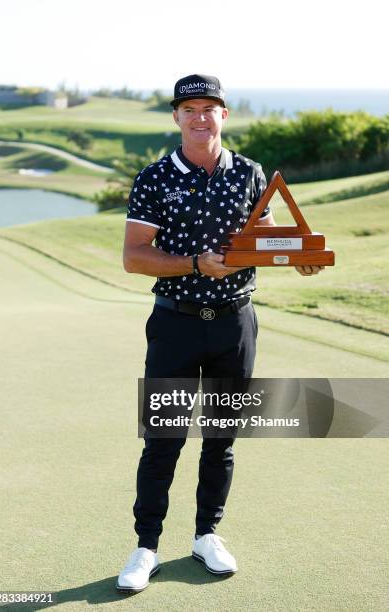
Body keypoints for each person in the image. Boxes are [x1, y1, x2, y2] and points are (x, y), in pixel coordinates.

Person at [116, 74, 323, 592]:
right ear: (177, 118)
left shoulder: (251, 174)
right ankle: (146, 547)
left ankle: (207, 535)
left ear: (224, 115)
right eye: (190, 108)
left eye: (210, 107)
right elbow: (134, 256)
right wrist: (192, 264)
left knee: (222, 439)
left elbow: (266, 236)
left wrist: (297, 257)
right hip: (175, 324)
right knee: (162, 441)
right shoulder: (155, 176)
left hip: (235, 324)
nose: (201, 117)